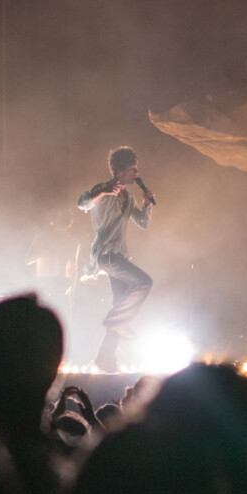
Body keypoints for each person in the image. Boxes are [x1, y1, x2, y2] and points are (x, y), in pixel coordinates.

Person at [77, 146, 156, 372]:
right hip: (106, 255)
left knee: (119, 304)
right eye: (133, 169)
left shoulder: (128, 196)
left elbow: (143, 223)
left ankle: (105, 359)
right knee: (144, 282)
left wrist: (147, 203)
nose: (136, 173)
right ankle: (116, 320)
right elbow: (81, 203)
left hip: (119, 255)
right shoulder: (102, 190)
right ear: (120, 169)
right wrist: (104, 191)